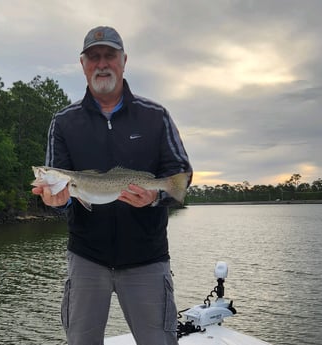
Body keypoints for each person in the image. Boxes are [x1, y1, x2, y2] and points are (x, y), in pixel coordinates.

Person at [32, 26, 192, 345]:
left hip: (147, 258)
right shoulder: (63, 122)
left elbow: (181, 176)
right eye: (94, 57)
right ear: (83, 64)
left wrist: (155, 197)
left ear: (124, 61)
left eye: (109, 56)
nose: (102, 64)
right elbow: (59, 198)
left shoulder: (156, 116)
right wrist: (55, 201)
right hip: (87, 259)